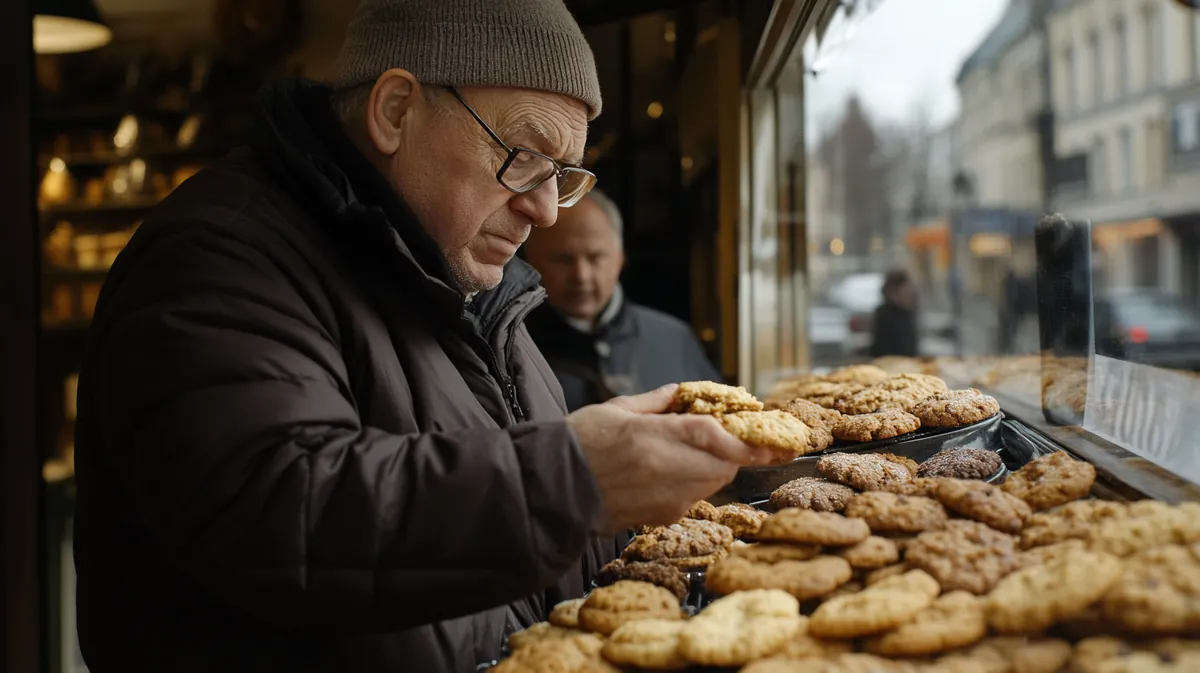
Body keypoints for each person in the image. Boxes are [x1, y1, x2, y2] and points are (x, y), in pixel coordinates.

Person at [70, 2, 772, 672]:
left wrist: (694, 483)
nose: (545, 211)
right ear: (396, 110)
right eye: (523, 156)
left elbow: (528, 538)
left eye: (561, 177)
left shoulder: (471, 279)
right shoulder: (215, 257)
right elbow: (282, 520)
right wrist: (579, 477)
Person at [522, 189, 722, 411]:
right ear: (532, 260)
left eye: (595, 257)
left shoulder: (676, 340)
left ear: (620, 258)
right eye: (563, 259)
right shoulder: (511, 348)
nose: (581, 276)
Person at [869, 269, 920, 357]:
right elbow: (881, 347)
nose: (908, 295)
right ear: (893, 292)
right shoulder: (885, 314)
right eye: (904, 292)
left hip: (906, 362)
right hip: (890, 364)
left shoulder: (908, 312)